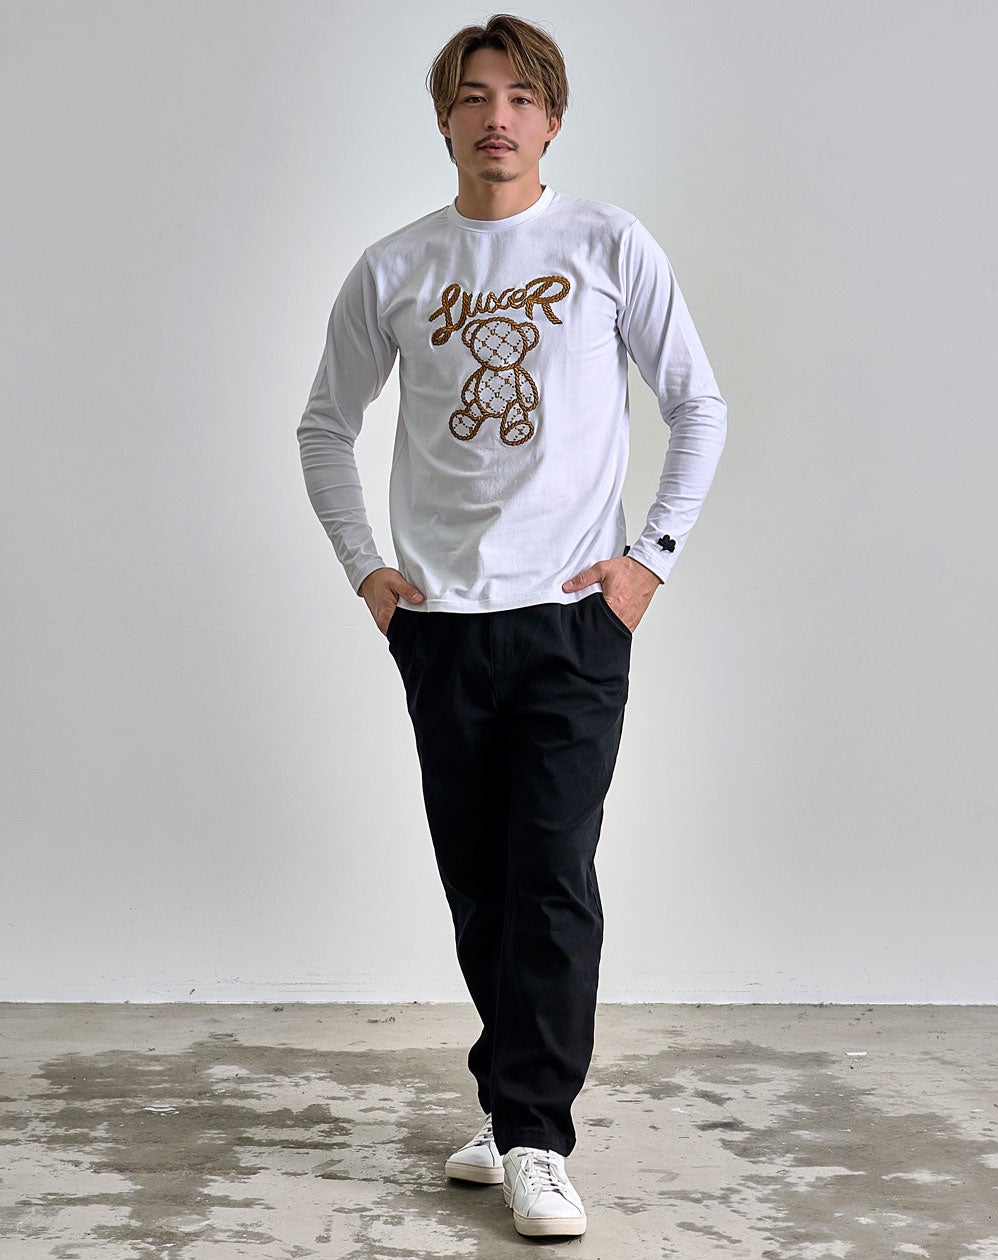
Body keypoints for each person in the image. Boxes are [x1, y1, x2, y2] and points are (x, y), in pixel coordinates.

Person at [296, 12, 727, 1240]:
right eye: (477, 97)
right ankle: (508, 1099)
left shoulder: (606, 244)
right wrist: (370, 574)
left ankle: (537, 1133)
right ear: (445, 119)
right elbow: (325, 425)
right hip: (441, 625)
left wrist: (647, 564)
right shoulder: (395, 267)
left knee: (550, 874)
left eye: (522, 98)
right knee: (480, 884)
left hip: (574, 621)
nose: (499, 117)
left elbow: (697, 403)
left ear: (552, 119)